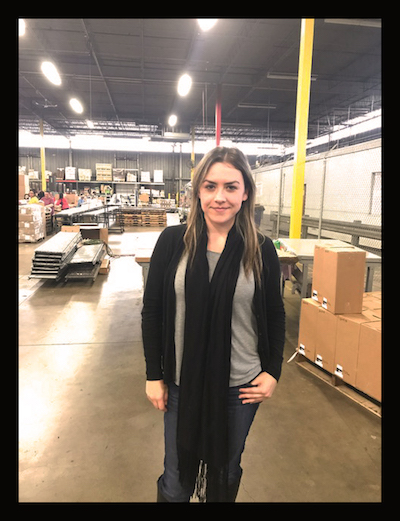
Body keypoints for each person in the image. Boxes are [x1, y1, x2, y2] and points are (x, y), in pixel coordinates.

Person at [141, 147, 285, 503]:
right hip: (181, 383)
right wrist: (153, 375)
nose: (220, 197)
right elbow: (153, 311)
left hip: (240, 386)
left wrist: (273, 372)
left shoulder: (260, 248)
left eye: (231, 187)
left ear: (245, 192)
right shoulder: (173, 242)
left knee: (226, 471)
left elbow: (275, 313)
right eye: (210, 186)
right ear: (198, 192)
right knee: (175, 481)